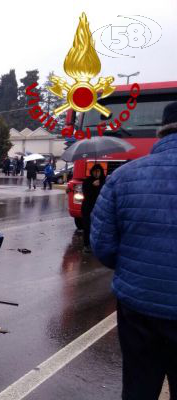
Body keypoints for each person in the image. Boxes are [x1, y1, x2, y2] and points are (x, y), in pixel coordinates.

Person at [91, 101, 177, 399]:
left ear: (160, 132)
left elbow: (102, 245)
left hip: (139, 307)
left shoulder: (124, 177)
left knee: (139, 387)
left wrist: (134, 266)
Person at [80, 164, 105, 252]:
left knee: (99, 227)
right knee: (87, 226)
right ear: (92, 172)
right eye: (95, 171)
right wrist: (92, 186)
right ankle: (87, 245)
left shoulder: (104, 181)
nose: (97, 173)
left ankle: (98, 244)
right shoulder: (87, 181)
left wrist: (100, 185)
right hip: (88, 208)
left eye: (98, 171)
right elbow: (86, 194)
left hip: (100, 208)